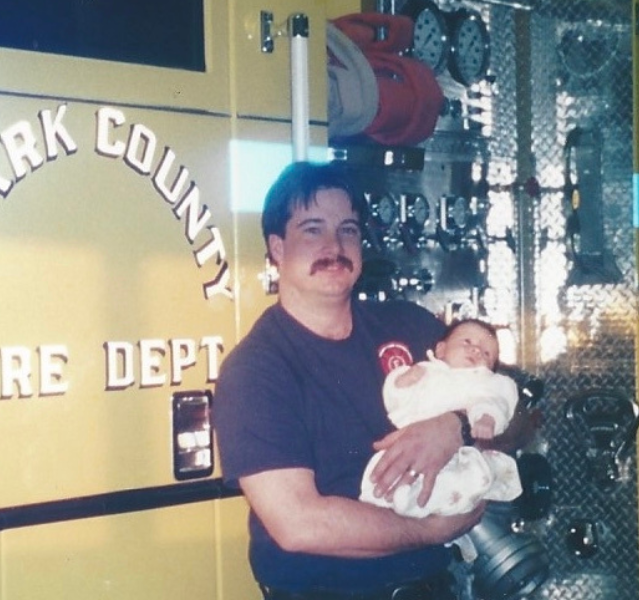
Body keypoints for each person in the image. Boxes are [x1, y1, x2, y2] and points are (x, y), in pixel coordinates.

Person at [212, 161, 484, 600]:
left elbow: (520, 412)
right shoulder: (256, 370)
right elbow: (299, 524)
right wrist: (430, 530)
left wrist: (458, 427)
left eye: (349, 230)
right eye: (313, 230)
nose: (335, 246)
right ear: (277, 248)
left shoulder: (411, 326)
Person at [359, 319, 522, 561]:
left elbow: (497, 402)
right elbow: (395, 397)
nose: (476, 350)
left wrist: (486, 419)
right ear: (441, 350)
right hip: (409, 449)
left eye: (487, 353)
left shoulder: (485, 383)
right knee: (383, 480)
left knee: (464, 480)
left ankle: (450, 521)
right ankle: (408, 507)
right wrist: (402, 381)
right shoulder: (426, 371)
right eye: (467, 342)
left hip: (459, 457)